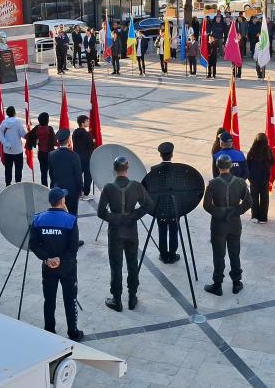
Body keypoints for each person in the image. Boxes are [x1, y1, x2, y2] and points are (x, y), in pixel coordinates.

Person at [97, 156, 153, 311]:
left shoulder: (108, 188)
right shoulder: (136, 186)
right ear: (127, 169)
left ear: (114, 170)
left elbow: (101, 212)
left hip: (115, 232)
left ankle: (117, 299)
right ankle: (132, 296)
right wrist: (132, 216)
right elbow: (149, 204)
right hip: (131, 231)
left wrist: (116, 218)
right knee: (132, 263)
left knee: (116, 266)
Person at [29, 188, 83, 341]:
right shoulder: (70, 220)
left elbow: (34, 244)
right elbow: (73, 248)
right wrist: (60, 260)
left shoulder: (38, 219)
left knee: (49, 300)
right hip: (68, 268)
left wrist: (48, 259)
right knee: (70, 299)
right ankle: (73, 332)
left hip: (48, 268)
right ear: (63, 201)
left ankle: (49, 330)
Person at [203, 154, 253, 296]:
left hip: (219, 225)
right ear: (230, 166)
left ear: (218, 167)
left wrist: (221, 213)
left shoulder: (212, 184)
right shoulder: (240, 182)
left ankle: (217, 285)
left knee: (218, 255)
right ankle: (236, 283)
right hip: (235, 224)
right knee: (234, 253)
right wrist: (234, 211)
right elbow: (249, 202)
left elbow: (207, 205)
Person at [145, 142, 181, 263]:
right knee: (174, 231)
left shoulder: (154, 169)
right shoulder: (177, 170)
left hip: (160, 206)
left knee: (162, 231)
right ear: (172, 154)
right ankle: (172, 253)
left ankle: (163, 254)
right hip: (173, 206)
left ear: (160, 155)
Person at [49, 129, 84, 217]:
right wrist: (80, 189)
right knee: (72, 216)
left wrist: (52, 187)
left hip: (58, 190)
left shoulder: (51, 155)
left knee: (58, 216)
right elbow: (78, 176)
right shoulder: (74, 156)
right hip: (72, 192)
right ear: (69, 140)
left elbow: (51, 174)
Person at [246, 133, 274, 223]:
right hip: (265, 179)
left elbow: (247, 164)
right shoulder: (268, 150)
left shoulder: (252, 151)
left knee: (253, 197)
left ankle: (254, 216)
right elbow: (272, 162)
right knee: (264, 198)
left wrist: (249, 176)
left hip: (253, 179)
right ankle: (263, 217)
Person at [0, 105, 27, 186]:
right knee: (18, 168)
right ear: (14, 113)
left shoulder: (3, 123)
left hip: (7, 150)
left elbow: (1, 137)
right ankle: (18, 184)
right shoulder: (18, 122)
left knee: (8, 168)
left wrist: (7, 145)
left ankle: (8, 184)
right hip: (17, 149)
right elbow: (23, 134)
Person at [26, 112, 56, 186]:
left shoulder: (37, 128)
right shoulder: (50, 129)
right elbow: (54, 142)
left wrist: (35, 142)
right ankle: (52, 188)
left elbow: (28, 136)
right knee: (52, 173)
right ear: (47, 120)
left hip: (41, 153)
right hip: (50, 154)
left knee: (43, 173)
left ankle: (44, 188)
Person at [72, 115, 96, 200]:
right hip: (86, 157)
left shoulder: (75, 132)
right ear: (82, 123)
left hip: (77, 157)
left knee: (78, 175)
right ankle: (85, 193)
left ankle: (79, 192)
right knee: (88, 176)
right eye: (87, 121)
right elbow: (91, 146)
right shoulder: (87, 134)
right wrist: (93, 140)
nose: (88, 122)